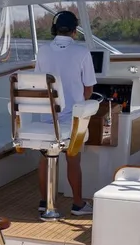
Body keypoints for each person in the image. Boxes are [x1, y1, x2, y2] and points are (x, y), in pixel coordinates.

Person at [34, 10, 96, 216]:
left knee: (45, 158)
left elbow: (38, 83)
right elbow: (88, 90)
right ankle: (78, 204)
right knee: (73, 158)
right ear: (74, 30)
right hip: (71, 121)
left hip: (46, 119)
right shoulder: (82, 52)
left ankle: (43, 201)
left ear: (54, 29)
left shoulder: (42, 51)